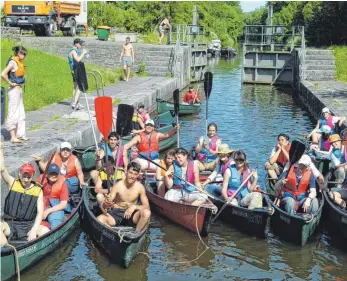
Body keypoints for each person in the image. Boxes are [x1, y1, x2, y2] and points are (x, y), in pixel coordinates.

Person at [0, 145, 47, 246]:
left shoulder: (38, 190)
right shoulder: (12, 183)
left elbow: (40, 213)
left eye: (28, 177)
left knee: (45, 231)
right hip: (10, 224)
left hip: (28, 225)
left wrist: (34, 230)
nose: (26, 179)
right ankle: (7, 249)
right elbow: (3, 169)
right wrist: (1, 150)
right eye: (24, 176)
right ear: (20, 174)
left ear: (32, 176)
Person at [97, 162, 151, 232]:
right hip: (117, 213)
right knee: (100, 219)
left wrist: (134, 207)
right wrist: (106, 204)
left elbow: (147, 206)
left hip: (132, 214)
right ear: (126, 172)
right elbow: (108, 201)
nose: (132, 176)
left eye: (135, 174)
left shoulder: (140, 187)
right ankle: (114, 234)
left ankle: (136, 234)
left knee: (147, 213)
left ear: (138, 175)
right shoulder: (118, 185)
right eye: (130, 173)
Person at [1, 46, 29, 143]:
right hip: (13, 91)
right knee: (13, 112)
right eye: (23, 54)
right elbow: (3, 74)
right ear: (18, 53)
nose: (24, 56)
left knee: (21, 113)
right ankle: (12, 136)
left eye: (25, 54)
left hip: (19, 90)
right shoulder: (13, 62)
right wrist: (11, 83)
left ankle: (20, 134)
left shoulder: (20, 62)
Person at [39, 164, 69, 230]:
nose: (53, 176)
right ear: (47, 174)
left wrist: (48, 211)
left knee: (55, 222)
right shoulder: (41, 179)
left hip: (55, 207)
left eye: (55, 173)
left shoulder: (62, 183)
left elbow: (63, 204)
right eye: (51, 173)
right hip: (42, 205)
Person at [68, 38, 88, 110]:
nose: (81, 45)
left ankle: (76, 102)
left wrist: (81, 53)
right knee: (79, 87)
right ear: (76, 44)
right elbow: (78, 59)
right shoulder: (73, 51)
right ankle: (75, 103)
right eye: (80, 43)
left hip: (74, 70)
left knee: (75, 87)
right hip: (75, 70)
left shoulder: (74, 50)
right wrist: (83, 53)